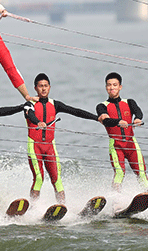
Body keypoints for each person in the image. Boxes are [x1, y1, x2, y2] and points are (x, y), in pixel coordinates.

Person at [24, 73, 98, 204]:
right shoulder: (29, 104)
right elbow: (30, 115)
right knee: (39, 178)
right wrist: (37, 122)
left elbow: (75, 111)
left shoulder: (55, 104)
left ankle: (62, 207)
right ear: (35, 88)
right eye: (40, 86)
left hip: (50, 147)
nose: (43, 89)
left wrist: (96, 118)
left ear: (50, 87)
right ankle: (33, 208)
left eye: (46, 86)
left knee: (56, 179)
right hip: (34, 145)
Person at [95, 71, 148, 191]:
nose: (112, 88)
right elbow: (105, 120)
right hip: (116, 145)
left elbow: (138, 112)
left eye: (115, 85)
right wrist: (118, 121)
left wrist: (138, 119)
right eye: (109, 85)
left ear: (120, 87)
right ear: (106, 88)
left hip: (131, 143)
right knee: (120, 173)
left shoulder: (129, 102)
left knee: (141, 172)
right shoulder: (101, 106)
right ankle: (116, 201)